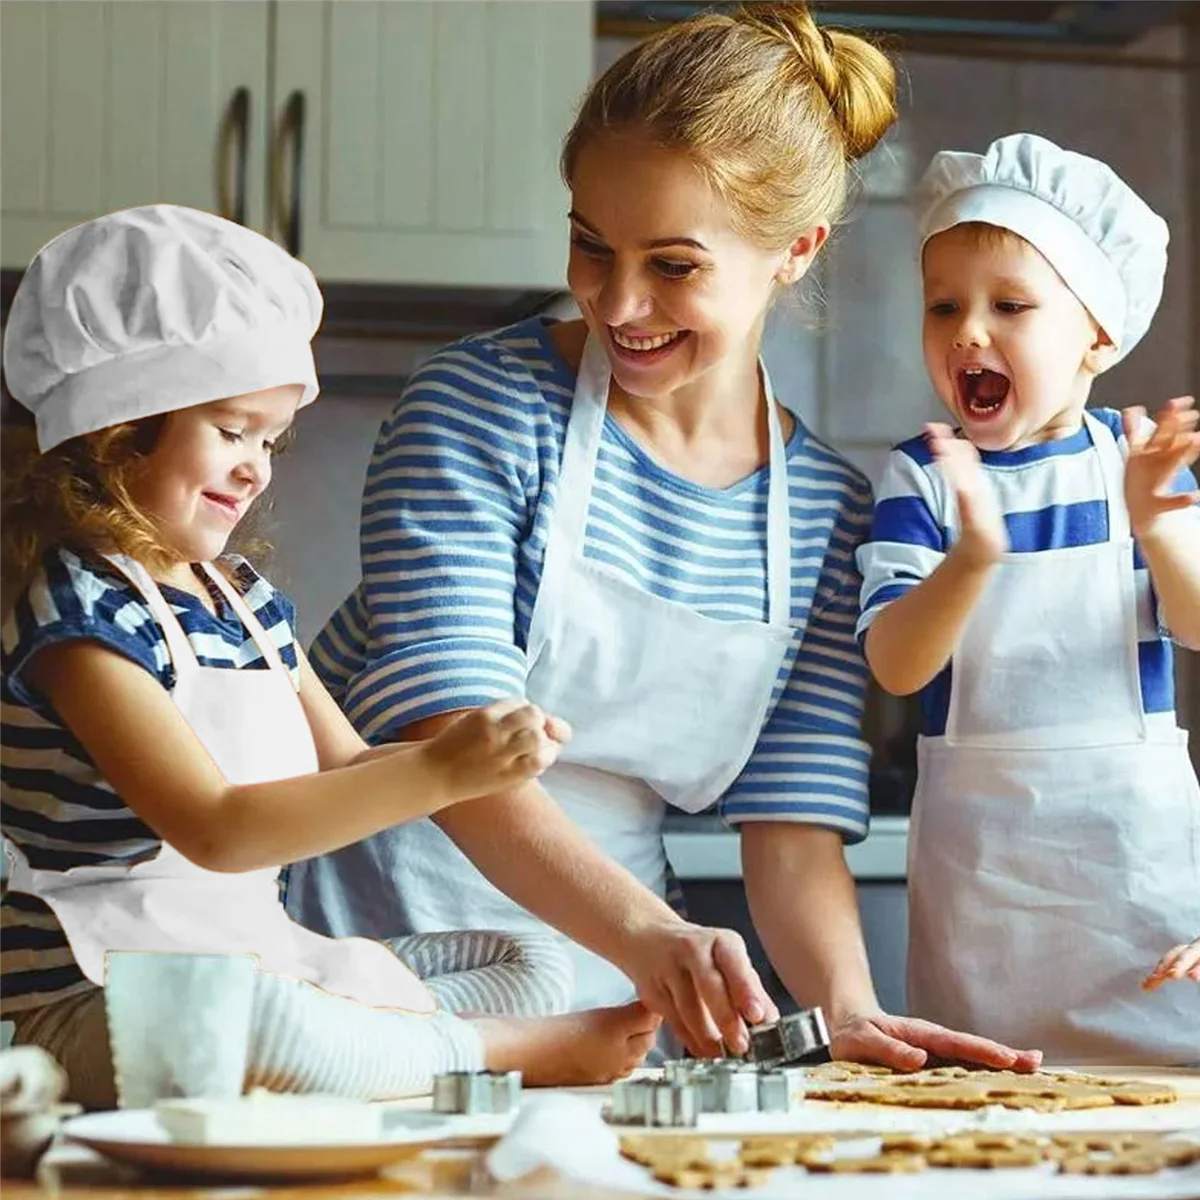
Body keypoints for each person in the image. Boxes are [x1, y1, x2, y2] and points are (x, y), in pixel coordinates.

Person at [287, 1, 1039, 1072]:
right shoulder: (478, 406)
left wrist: (847, 1007)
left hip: (615, 1001)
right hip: (375, 958)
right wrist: (649, 937)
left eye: (674, 266)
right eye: (591, 247)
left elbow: (791, 820)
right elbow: (444, 738)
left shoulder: (825, 506)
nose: (618, 301)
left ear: (796, 250)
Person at [0, 204, 661, 1109]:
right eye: (231, 430)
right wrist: (435, 771)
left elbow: (349, 765)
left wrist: (477, 759)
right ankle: (479, 1052)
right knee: (259, 1031)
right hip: (93, 995)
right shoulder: (76, 613)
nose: (256, 468)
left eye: (269, 440)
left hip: (254, 954)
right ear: (119, 426)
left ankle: (406, 1043)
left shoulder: (245, 604)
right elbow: (216, 828)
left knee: (529, 958)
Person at [857, 132, 1200, 1064]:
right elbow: (894, 661)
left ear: (1097, 332)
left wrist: (1159, 526)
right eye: (944, 306)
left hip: (1138, 878)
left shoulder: (1136, 463)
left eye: (1009, 305)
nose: (969, 330)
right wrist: (971, 560)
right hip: (986, 893)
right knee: (991, 1108)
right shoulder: (923, 478)